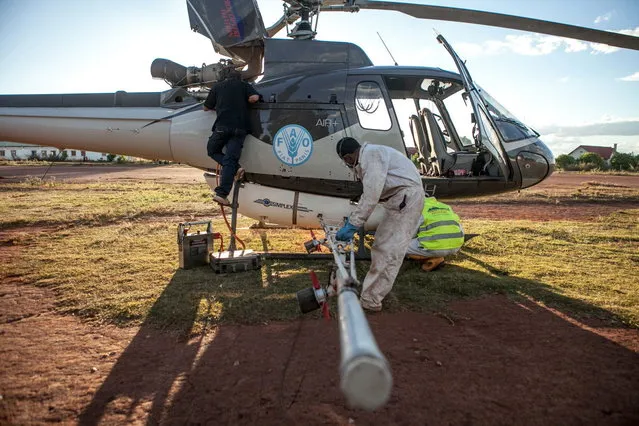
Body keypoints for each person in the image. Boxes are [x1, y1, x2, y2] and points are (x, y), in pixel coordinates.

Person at [335, 137, 425, 312]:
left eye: (346, 161)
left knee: (389, 251)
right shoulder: (371, 154)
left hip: (406, 199)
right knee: (381, 246)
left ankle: (371, 300)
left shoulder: (371, 156)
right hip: (401, 200)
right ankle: (371, 296)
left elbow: (370, 196)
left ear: (347, 157)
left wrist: (353, 224)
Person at [204, 68, 261, 206]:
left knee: (212, 150)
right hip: (240, 129)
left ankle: (234, 169)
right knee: (230, 158)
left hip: (222, 127)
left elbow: (206, 107)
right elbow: (254, 98)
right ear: (239, 77)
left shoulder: (217, 87)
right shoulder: (245, 86)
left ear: (224, 77)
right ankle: (222, 193)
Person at [405, 197, 464, 271]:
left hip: (434, 247)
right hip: (456, 247)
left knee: (399, 247)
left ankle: (435, 259)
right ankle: (437, 256)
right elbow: (459, 227)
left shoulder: (418, 208)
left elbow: (410, 234)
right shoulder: (445, 206)